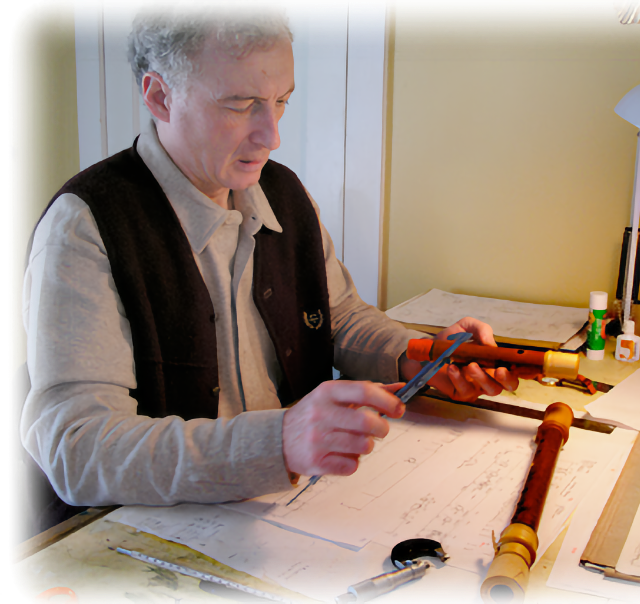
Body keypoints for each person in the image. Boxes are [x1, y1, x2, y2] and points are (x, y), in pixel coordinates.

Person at [18, 0, 519, 535]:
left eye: (281, 101)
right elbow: (79, 449)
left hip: (283, 514)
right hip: (144, 533)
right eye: (241, 104)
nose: (271, 134)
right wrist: (277, 441)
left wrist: (419, 356)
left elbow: (338, 317)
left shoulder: (282, 191)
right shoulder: (86, 226)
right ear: (160, 96)